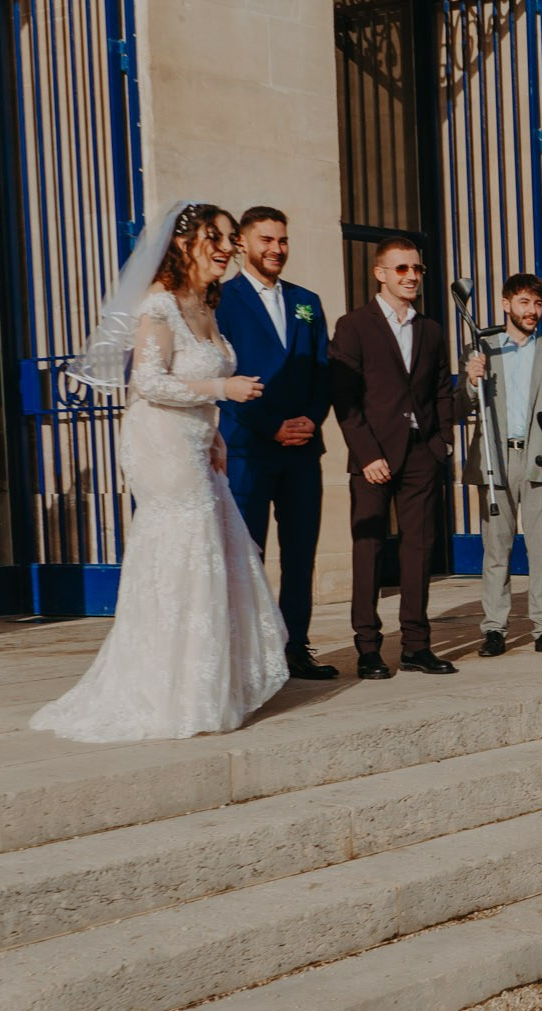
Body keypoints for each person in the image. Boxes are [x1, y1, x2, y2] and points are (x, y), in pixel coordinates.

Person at [31, 202, 288, 741]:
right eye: (214, 238)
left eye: (228, 239)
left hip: (195, 441)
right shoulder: (160, 304)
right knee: (185, 554)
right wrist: (223, 391)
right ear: (183, 242)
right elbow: (148, 383)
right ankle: (170, 693)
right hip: (161, 444)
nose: (226, 247)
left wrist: (214, 428)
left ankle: (204, 685)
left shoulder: (204, 302)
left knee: (209, 554)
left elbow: (194, 374)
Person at [330, 236, 458, 679]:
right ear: (380, 273)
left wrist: (443, 443)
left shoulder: (432, 329)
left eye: (417, 269)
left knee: (419, 550)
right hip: (373, 456)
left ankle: (416, 645)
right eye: (401, 269)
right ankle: (368, 648)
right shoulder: (354, 325)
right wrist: (366, 453)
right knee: (369, 550)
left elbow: (442, 388)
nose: (411, 277)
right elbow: (344, 396)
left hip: (423, 453)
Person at [217, 205, 335, 681]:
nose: (277, 249)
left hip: (304, 450)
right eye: (267, 240)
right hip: (249, 447)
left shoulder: (307, 300)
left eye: (283, 240)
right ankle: (250, 654)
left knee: (300, 551)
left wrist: (309, 418)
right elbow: (221, 376)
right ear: (243, 243)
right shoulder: (221, 301)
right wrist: (271, 426)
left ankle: (295, 646)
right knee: (249, 553)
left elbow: (322, 370)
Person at [462, 273, 542, 657]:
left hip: (539, 457)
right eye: (525, 303)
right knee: (497, 549)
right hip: (495, 458)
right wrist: (469, 380)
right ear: (505, 304)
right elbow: (464, 406)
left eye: (538, 304)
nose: (532, 311)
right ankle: (494, 627)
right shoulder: (483, 349)